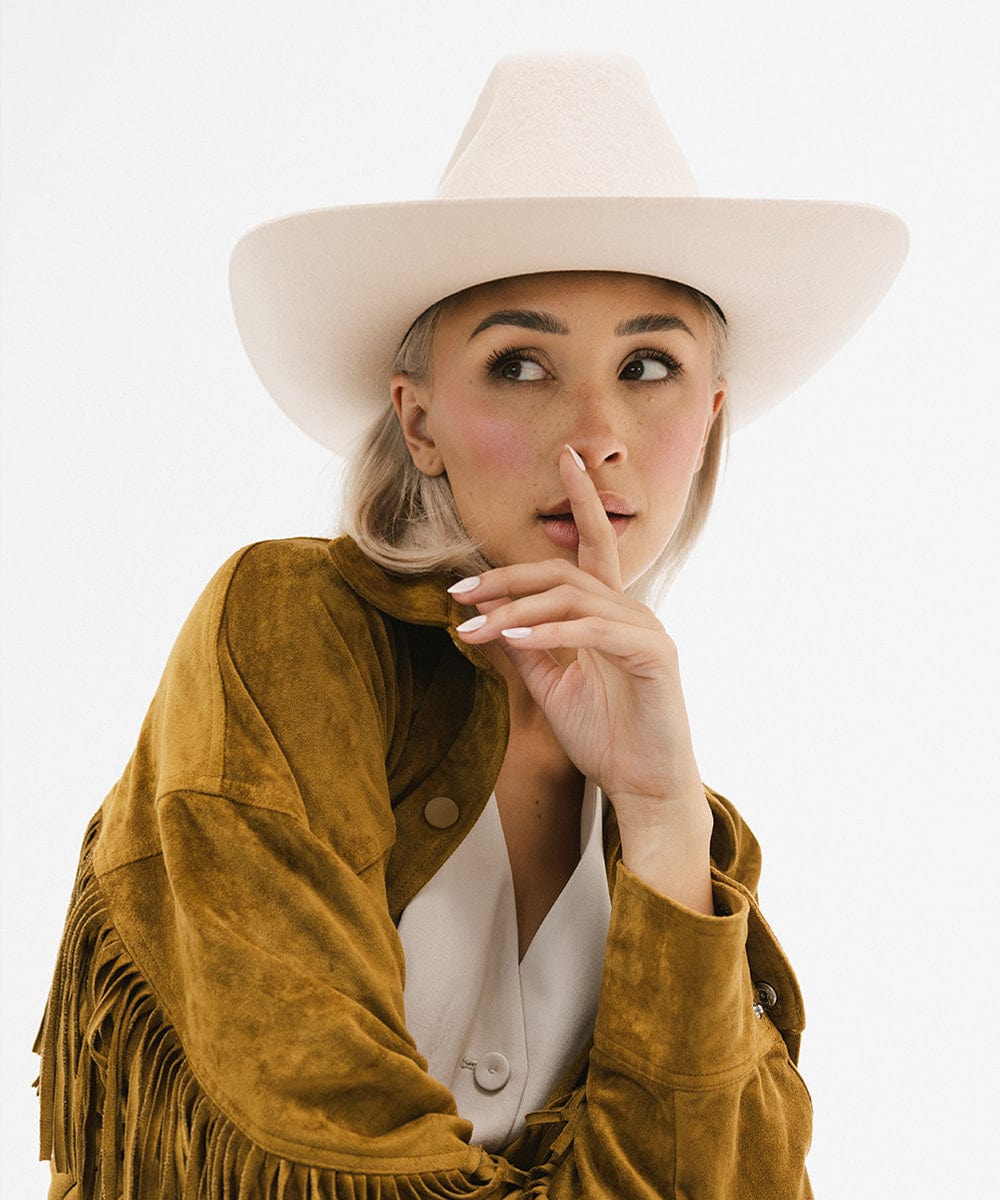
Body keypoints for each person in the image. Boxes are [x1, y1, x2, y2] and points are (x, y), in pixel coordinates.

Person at [35, 54, 908, 1198]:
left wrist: (660, 813)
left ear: (709, 415)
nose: (593, 432)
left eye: (647, 365)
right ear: (419, 421)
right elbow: (319, 1143)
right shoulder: (291, 633)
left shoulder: (686, 828)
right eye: (520, 365)